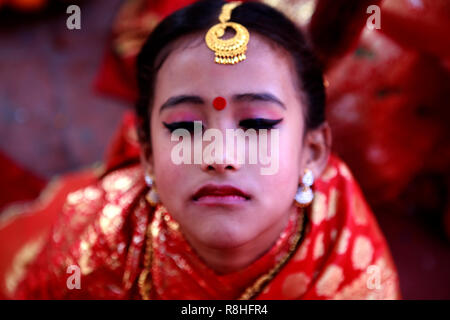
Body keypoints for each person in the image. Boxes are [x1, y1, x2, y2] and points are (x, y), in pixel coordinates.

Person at [3, 0, 400, 299]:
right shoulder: (92, 252)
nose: (218, 156)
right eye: (184, 127)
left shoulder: (352, 267)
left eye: (257, 125)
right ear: (148, 156)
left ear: (311, 152)